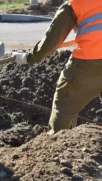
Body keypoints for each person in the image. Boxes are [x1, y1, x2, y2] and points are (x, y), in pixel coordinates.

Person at [12, 0, 102, 134]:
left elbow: (51, 42)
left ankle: (58, 142)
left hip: (87, 63)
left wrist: (28, 57)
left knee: (64, 104)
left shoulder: (75, 3)